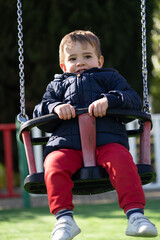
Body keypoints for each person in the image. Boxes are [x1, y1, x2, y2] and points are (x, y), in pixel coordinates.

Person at [33, 30, 158, 240]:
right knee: (53, 165)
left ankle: (136, 216)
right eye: (73, 58)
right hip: (66, 146)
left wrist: (110, 100)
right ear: (63, 66)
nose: (80, 62)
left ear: (99, 61)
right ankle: (64, 219)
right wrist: (55, 107)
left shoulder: (110, 78)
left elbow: (132, 99)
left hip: (107, 142)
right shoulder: (57, 85)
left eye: (87, 56)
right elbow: (40, 109)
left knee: (123, 162)